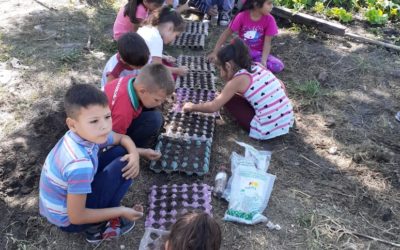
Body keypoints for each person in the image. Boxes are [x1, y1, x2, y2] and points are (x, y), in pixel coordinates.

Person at [39, 84, 144, 244]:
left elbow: (123, 138)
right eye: (94, 120)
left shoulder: (84, 135)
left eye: (107, 117)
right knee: (122, 166)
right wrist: (121, 211)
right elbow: (77, 216)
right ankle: (96, 228)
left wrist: (135, 154)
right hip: (69, 220)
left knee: (122, 152)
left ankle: (102, 213)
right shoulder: (79, 165)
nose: (104, 126)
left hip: (67, 202)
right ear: (73, 124)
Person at [184, 38, 293, 140]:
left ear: (227, 66)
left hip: (266, 129)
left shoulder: (237, 81)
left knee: (229, 99)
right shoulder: (258, 66)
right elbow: (281, 84)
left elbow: (213, 107)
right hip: (286, 118)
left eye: (219, 68)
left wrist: (192, 106)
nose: (220, 73)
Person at [104, 63, 174, 155]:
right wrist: (140, 151)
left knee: (155, 111)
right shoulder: (123, 112)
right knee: (154, 119)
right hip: (109, 130)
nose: (160, 103)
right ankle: (137, 147)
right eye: (157, 99)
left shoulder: (134, 80)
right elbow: (113, 140)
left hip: (116, 115)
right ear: (142, 91)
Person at [208, 0, 284, 73]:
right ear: (256, 4)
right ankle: (248, 65)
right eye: (269, 3)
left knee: (278, 66)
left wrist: (263, 61)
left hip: (258, 54)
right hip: (241, 51)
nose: (272, 6)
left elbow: (267, 43)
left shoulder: (270, 20)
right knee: (223, 56)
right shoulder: (241, 16)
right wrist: (215, 52)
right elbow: (226, 34)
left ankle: (247, 65)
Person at [137, 6, 188, 77]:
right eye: (176, 36)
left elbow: (149, 52)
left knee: (167, 64)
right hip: (138, 74)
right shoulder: (156, 39)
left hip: (137, 64)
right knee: (171, 76)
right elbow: (158, 69)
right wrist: (177, 70)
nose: (173, 39)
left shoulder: (147, 28)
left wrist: (164, 57)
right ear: (170, 28)